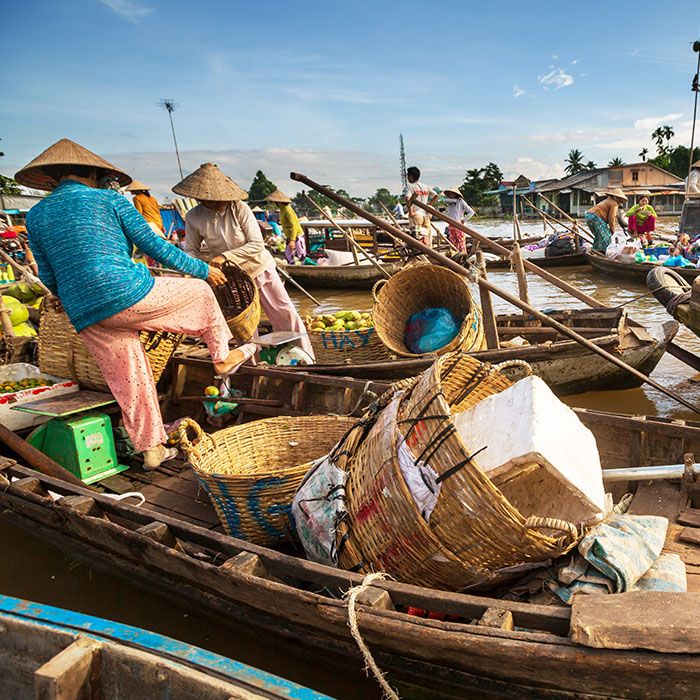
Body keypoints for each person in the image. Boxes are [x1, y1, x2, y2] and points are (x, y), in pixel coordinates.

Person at [17, 139, 253, 470]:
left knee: (130, 377)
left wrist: (68, 297)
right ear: (94, 175)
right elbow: (156, 247)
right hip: (125, 291)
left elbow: (49, 274)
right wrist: (204, 270)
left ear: (55, 178)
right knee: (200, 292)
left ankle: (152, 448)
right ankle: (222, 357)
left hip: (84, 310)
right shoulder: (110, 199)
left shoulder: (37, 214)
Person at [176, 163, 314, 359]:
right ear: (201, 198)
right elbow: (191, 249)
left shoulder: (239, 208)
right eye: (213, 200)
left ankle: (305, 357)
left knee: (285, 313)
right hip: (232, 277)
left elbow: (257, 244)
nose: (219, 203)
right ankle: (253, 363)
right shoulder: (194, 216)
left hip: (259, 267)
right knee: (242, 325)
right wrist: (198, 269)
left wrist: (224, 256)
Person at [266, 189, 307, 264]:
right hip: (290, 236)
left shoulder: (288, 210)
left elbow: (294, 225)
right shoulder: (282, 210)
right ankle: (293, 269)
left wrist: (292, 240)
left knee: (301, 255)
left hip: (296, 236)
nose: (274, 204)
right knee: (288, 255)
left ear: (278, 202)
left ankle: (304, 270)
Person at [584, 187, 627, 252]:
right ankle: (603, 253)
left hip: (589, 215)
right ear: (615, 197)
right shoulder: (614, 203)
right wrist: (612, 229)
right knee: (607, 237)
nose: (620, 203)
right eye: (620, 200)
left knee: (599, 237)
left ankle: (595, 251)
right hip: (595, 217)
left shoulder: (608, 200)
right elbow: (611, 217)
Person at [404, 166, 438, 246]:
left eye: (408, 176)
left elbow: (408, 200)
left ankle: (418, 255)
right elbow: (436, 196)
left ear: (411, 176)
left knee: (416, 236)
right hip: (425, 214)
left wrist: (410, 212)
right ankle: (429, 252)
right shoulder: (425, 186)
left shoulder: (410, 186)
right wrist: (428, 205)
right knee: (427, 235)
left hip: (416, 214)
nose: (407, 178)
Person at [442, 186, 475, 252]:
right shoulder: (450, 202)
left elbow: (471, 212)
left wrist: (463, 220)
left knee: (461, 241)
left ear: (456, 194)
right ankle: (455, 254)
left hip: (458, 225)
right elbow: (444, 200)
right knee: (453, 242)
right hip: (451, 225)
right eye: (450, 193)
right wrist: (455, 201)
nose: (451, 195)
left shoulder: (461, 201)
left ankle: (462, 254)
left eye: (452, 193)